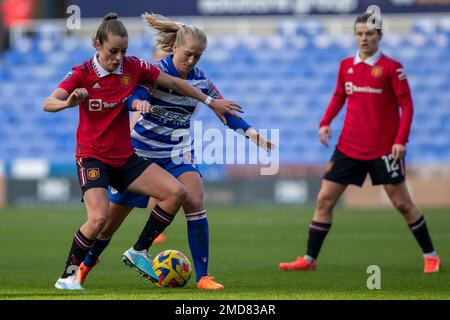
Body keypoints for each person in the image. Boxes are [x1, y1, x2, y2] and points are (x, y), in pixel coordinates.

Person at [77, 13, 275, 290]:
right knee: (108, 224)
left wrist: (252, 134)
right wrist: (138, 103)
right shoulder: (155, 72)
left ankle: (202, 275)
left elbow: (223, 110)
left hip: (177, 153)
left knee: (194, 199)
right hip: (141, 154)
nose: (192, 61)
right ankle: (85, 265)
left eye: (198, 56)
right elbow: (135, 94)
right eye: (189, 54)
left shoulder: (202, 81)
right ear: (174, 48)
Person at [279, 12, 440, 273]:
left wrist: (401, 141)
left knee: (402, 204)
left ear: (380, 36)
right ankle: (309, 260)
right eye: (360, 33)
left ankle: (430, 255)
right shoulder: (346, 65)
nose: (364, 38)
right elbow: (339, 95)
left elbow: (407, 106)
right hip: (349, 147)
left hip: (384, 150)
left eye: (369, 34)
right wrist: (325, 121)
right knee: (324, 200)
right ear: (355, 35)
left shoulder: (392, 68)